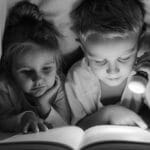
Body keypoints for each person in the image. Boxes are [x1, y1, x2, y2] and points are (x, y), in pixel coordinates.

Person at [65, 0, 150, 130]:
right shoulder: (77, 78)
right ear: (83, 49)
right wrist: (107, 114)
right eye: (99, 61)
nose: (112, 71)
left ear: (139, 42)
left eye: (124, 58)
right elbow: (75, 130)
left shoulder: (144, 71)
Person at [0, 1, 70, 133]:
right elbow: (1, 121)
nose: (38, 79)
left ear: (57, 65)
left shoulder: (58, 84)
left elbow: (66, 128)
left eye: (46, 69)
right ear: (10, 70)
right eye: (26, 71)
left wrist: (44, 105)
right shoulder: (6, 87)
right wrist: (25, 117)